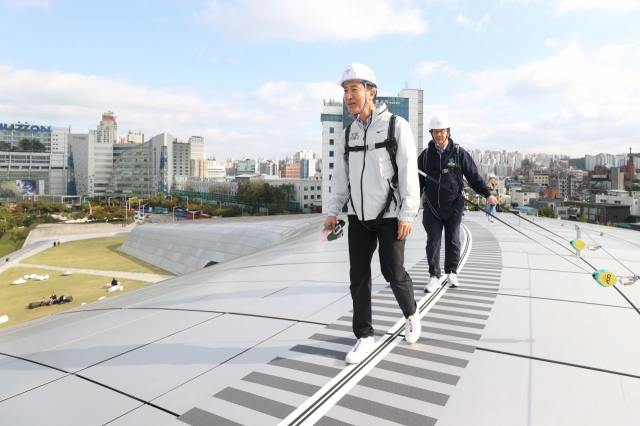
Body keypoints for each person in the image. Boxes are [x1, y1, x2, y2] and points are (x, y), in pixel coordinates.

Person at [325, 63, 421, 365]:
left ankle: (411, 313)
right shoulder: (347, 135)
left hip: (391, 215)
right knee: (358, 277)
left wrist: (408, 213)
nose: (349, 95)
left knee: (393, 273)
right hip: (358, 217)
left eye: (354, 88)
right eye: (345, 90)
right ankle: (364, 337)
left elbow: (408, 172)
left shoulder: (396, 126)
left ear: (371, 92)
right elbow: (340, 178)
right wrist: (332, 211)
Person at [418, 114, 498, 292]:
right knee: (433, 241)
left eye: (442, 131)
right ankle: (434, 276)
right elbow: (417, 183)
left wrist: (487, 194)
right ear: (431, 133)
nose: (439, 135)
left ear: (448, 132)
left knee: (453, 240)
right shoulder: (425, 156)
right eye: (436, 131)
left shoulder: (458, 153)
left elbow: (474, 177)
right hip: (432, 206)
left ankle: (451, 272)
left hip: (453, 205)